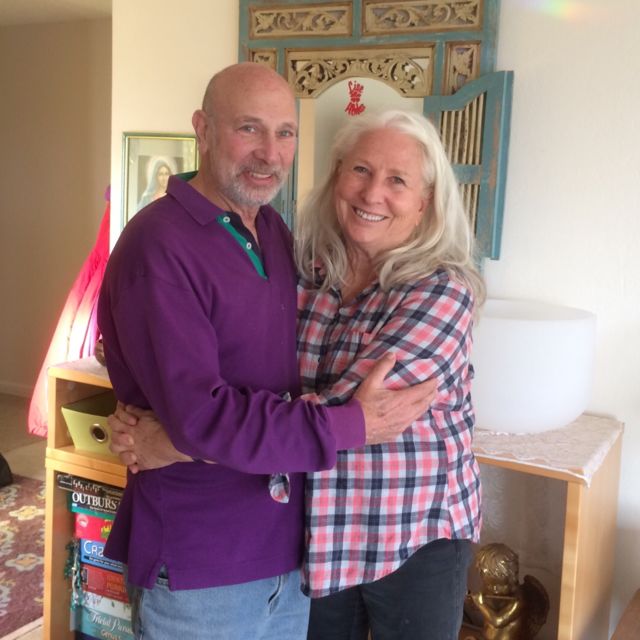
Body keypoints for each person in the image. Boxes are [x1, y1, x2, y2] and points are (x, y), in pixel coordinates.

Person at [110, 108, 485, 639]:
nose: (372, 193)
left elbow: (348, 413)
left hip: (411, 534)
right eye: (360, 170)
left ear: (425, 201)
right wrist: (195, 411)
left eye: (397, 181)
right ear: (336, 177)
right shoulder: (301, 266)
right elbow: (254, 377)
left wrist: (180, 438)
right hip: (314, 534)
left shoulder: (442, 291)